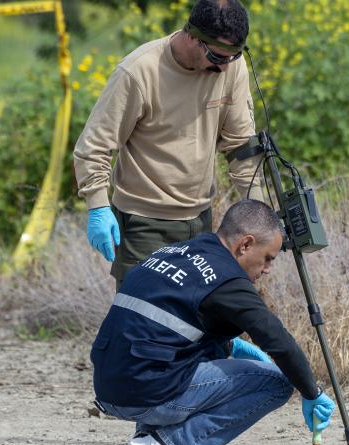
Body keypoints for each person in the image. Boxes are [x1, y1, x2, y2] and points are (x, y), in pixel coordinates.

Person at [90, 200, 336, 445]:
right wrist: (310, 391)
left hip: (109, 388)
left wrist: (231, 348)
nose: (268, 269)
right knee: (278, 382)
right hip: (146, 393)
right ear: (245, 244)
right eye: (268, 257)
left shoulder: (175, 251)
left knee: (202, 353)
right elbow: (279, 342)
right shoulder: (227, 280)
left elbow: (169, 327)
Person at [73, 0, 264, 291]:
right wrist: (98, 206)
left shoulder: (230, 68)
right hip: (143, 224)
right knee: (143, 323)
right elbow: (94, 146)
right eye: (217, 56)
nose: (223, 67)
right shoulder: (138, 72)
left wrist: (258, 212)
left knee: (196, 322)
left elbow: (240, 147)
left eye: (232, 58)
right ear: (192, 36)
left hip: (200, 221)